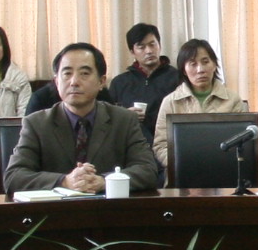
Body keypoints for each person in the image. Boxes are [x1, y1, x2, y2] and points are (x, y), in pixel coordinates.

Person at [10, 44, 162, 193]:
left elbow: (148, 170)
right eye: (67, 73)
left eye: (84, 73)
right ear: (57, 82)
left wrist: (104, 181)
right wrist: (64, 181)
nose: (74, 82)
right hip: (55, 208)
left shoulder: (124, 120)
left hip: (109, 207)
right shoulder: (36, 123)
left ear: (101, 82)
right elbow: (13, 177)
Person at [150, 38, 251, 171]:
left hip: (224, 170)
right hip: (183, 173)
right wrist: (182, 165)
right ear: (184, 70)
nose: (200, 69)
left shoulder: (233, 100)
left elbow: (244, 143)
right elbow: (160, 145)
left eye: (205, 62)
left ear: (214, 65)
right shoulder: (171, 102)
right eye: (193, 64)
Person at [110, 24, 183, 140]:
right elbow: (107, 120)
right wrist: (125, 116)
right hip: (130, 143)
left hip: (169, 141)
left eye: (152, 44)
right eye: (141, 47)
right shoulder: (119, 83)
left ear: (160, 45)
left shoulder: (178, 78)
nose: (149, 51)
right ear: (132, 52)